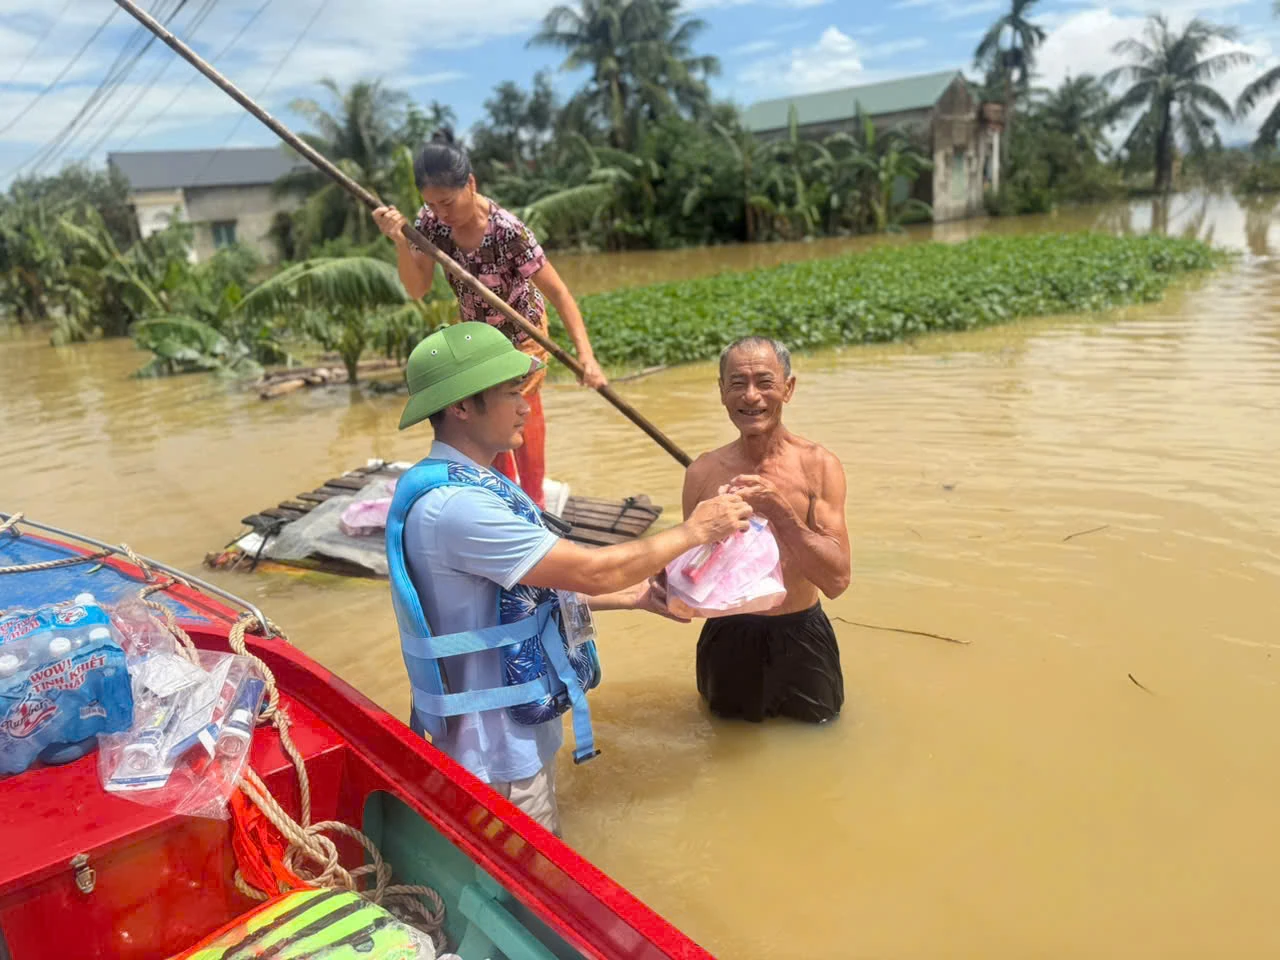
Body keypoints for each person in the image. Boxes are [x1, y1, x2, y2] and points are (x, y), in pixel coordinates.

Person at [385, 321, 752, 835]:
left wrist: (637, 596)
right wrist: (695, 530)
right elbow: (592, 570)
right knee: (527, 886)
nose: (525, 407)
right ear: (461, 407)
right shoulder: (458, 508)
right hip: (494, 754)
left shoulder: (472, 483)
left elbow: (521, 599)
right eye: (512, 393)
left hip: (505, 736)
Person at [372, 129, 605, 510]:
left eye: (447, 201)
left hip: (524, 334)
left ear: (472, 184)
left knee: (516, 413)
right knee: (483, 423)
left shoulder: (508, 231)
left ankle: (533, 502)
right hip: (478, 338)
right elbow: (417, 288)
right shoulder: (430, 224)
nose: (442, 213)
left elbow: (560, 293)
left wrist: (587, 357)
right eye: (432, 204)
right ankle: (503, 498)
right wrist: (400, 240)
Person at [678, 336, 852, 724]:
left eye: (764, 382)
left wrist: (780, 512)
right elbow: (690, 579)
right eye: (737, 383)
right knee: (726, 744)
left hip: (802, 632)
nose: (751, 396)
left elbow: (838, 580)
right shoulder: (703, 473)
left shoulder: (818, 466)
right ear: (722, 392)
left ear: (788, 389)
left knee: (821, 741)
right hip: (728, 635)